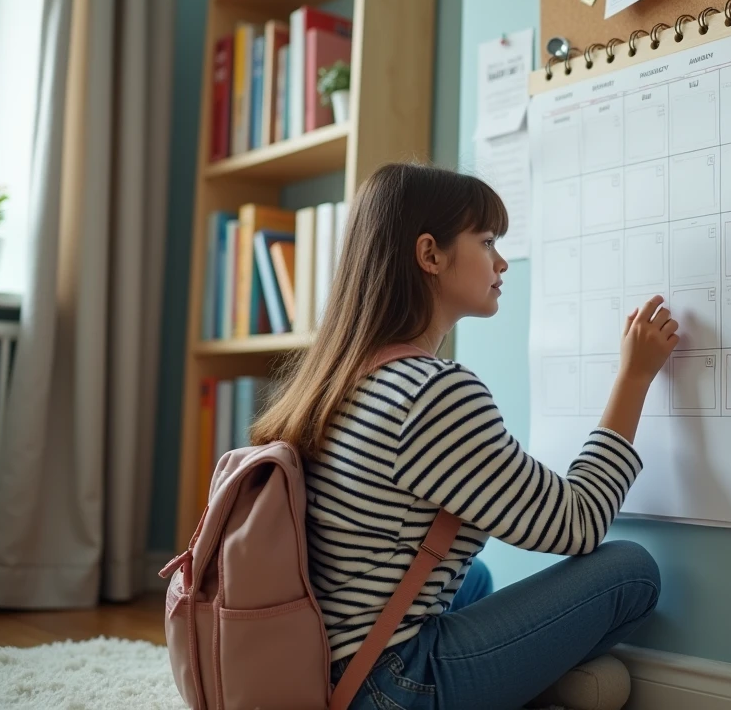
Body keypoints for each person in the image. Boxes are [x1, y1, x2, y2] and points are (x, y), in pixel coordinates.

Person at [251, 163, 678, 710]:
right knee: (631, 572)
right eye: (486, 241)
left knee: (471, 578)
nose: (501, 262)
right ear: (430, 255)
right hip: (386, 685)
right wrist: (634, 376)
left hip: (320, 663)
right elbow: (580, 522)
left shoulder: (338, 376)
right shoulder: (432, 393)